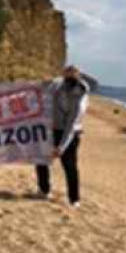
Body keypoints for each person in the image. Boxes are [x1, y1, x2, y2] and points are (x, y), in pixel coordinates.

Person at [34, 65, 90, 207]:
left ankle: (74, 199)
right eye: (65, 75)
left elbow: (71, 125)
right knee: (41, 159)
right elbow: (47, 87)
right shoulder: (60, 85)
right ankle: (44, 189)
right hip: (52, 129)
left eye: (70, 76)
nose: (66, 78)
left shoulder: (79, 97)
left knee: (69, 166)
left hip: (71, 134)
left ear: (77, 77)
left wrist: (61, 147)